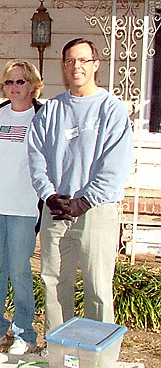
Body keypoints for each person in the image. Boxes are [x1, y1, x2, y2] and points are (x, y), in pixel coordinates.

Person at [28, 38, 134, 332]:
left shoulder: (111, 110)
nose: (77, 66)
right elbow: (36, 157)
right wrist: (49, 195)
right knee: (54, 281)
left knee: (96, 284)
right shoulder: (50, 111)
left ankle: (97, 353)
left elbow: (116, 165)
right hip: (57, 209)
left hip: (96, 211)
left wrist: (84, 201)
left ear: (95, 65)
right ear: (64, 66)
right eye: (71, 61)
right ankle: (59, 348)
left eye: (84, 60)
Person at [0, 60, 44, 355]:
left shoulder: (43, 118)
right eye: (9, 83)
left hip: (25, 207)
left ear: (32, 84)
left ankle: (24, 332)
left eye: (20, 82)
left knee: (19, 271)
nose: (15, 88)